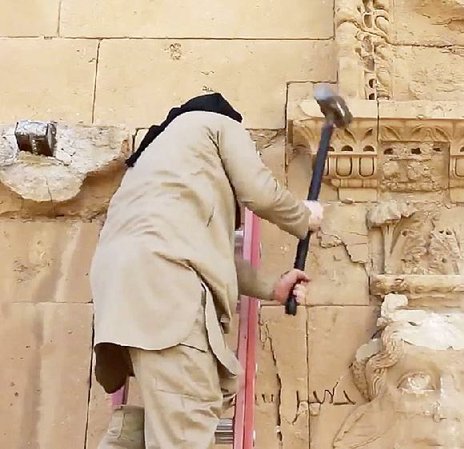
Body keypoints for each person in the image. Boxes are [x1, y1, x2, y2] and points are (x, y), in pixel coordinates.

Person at [90, 93, 323, 449]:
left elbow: (200, 249)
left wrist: (272, 287)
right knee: (187, 419)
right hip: (167, 288)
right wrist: (304, 217)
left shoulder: (153, 165)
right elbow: (259, 192)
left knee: (162, 417)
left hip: (123, 293)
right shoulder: (218, 125)